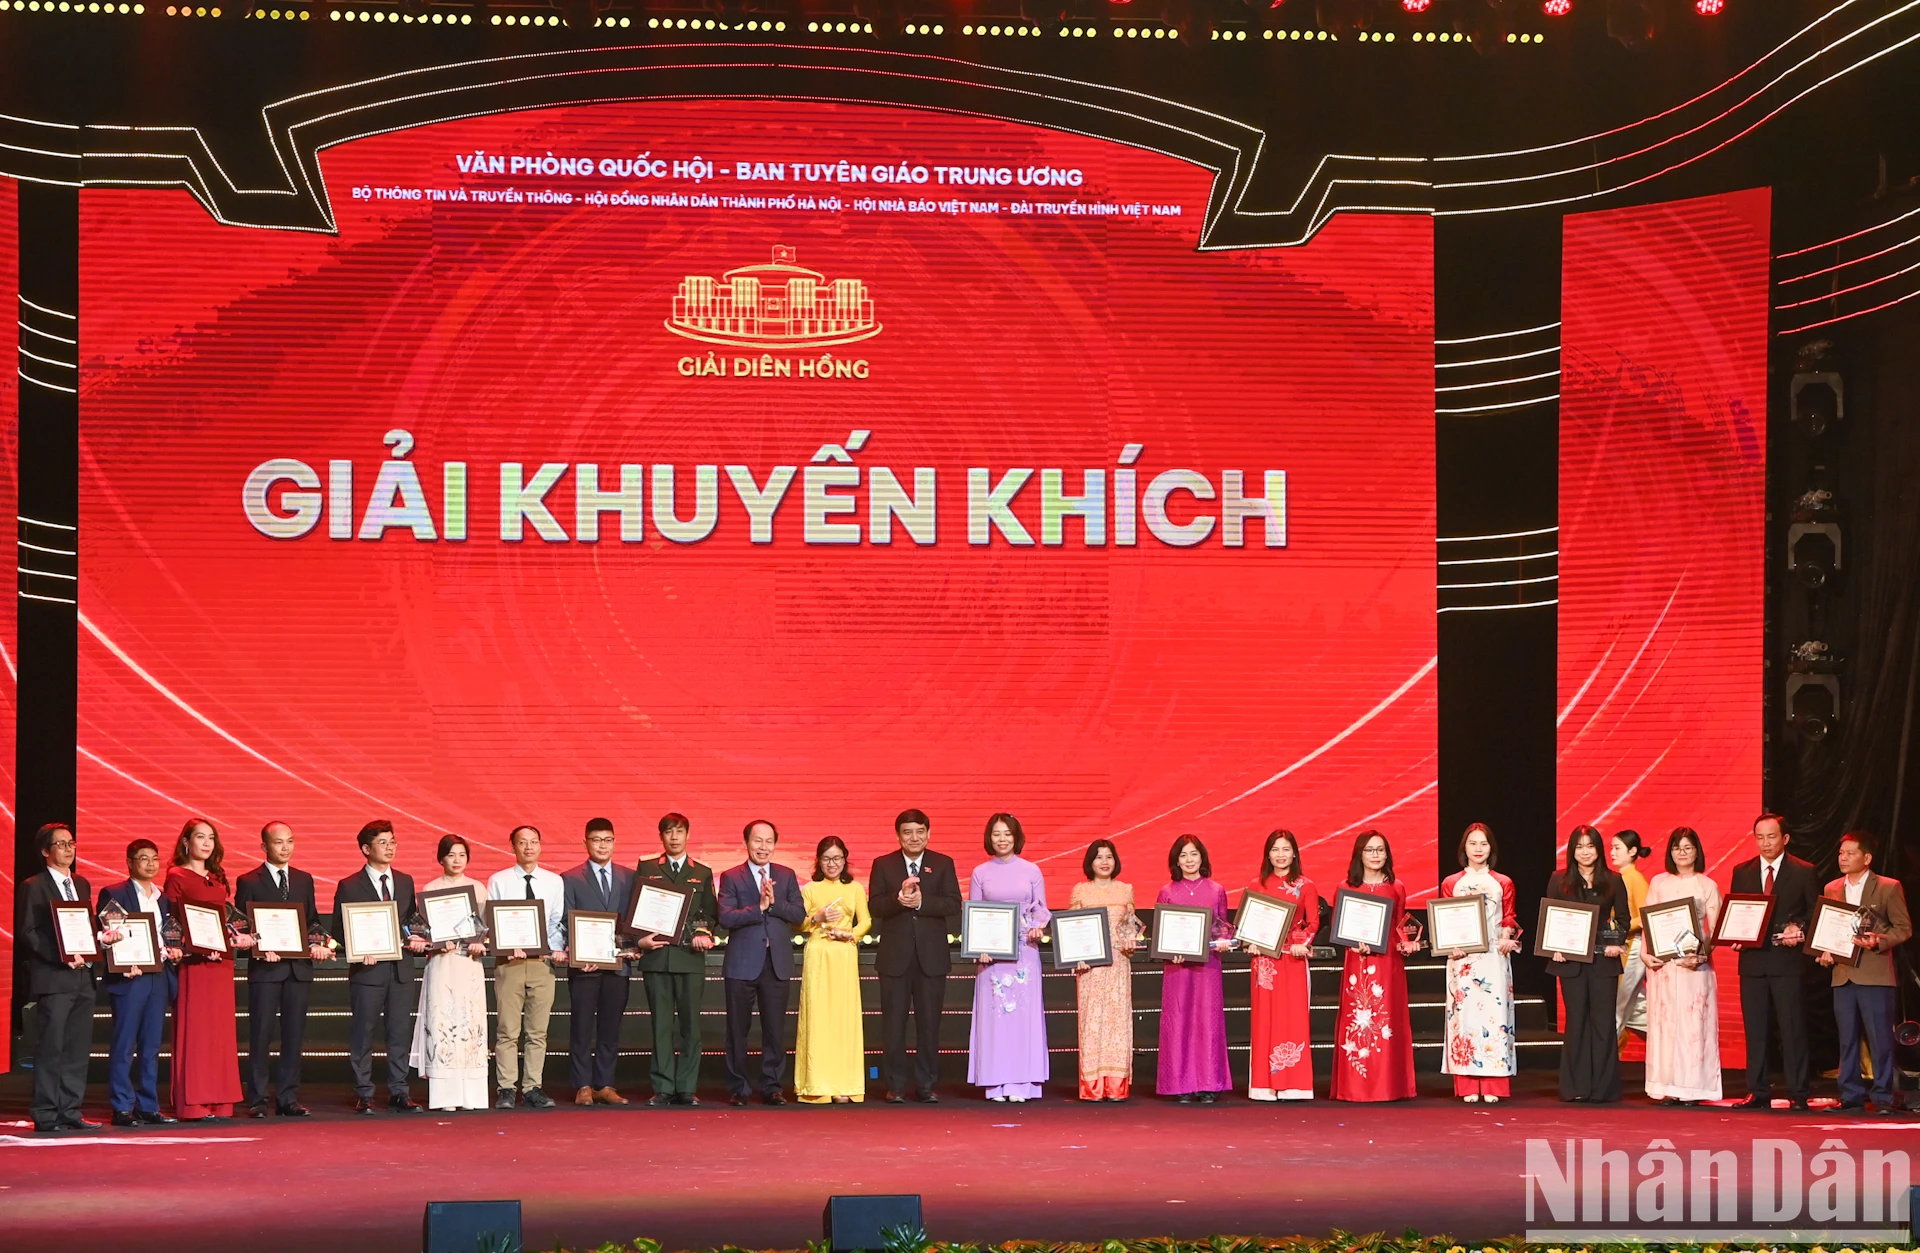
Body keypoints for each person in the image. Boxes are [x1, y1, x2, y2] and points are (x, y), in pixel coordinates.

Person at [331, 819, 428, 1114]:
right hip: (368, 971)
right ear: (365, 848)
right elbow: (338, 930)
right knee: (364, 1033)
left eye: (393, 842)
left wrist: (418, 937)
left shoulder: (405, 880)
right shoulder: (349, 885)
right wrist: (359, 951)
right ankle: (364, 1092)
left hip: (401, 969)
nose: (390, 848)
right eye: (383, 842)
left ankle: (399, 1091)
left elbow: (412, 920)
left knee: (399, 1032)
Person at [233, 821, 328, 1118]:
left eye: (290, 841)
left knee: (293, 1035)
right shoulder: (249, 880)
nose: (285, 847)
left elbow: (311, 920)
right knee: (261, 1034)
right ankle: (258, 1098)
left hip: (298, 969)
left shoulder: (304, 879)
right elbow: (241, 926)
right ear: (264, 846)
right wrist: (258, 945)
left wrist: (319, 941)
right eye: (278, 842)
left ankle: (288, 1097)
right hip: (265, 969)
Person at [164, 816, 256, 1120]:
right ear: (186, 842)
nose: (206, 843)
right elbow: (172, 922)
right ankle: (194, 1103)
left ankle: (220, 1101)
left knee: (219, 1033)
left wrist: (233, 938)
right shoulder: (176, 876)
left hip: (221, 963)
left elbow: (221, 919)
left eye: (211, 838)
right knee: (196, 1030)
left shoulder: (217, 878)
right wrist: (197, 946)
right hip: (196, 962)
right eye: (200, 837)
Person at [869, 807, 963, 1103]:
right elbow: (875, 907)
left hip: (931, 958)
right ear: (898, 835)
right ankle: (895, 1085)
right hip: (894, 959)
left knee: (929, 1025)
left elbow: (953, 904)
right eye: (907, 832)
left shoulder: (943, 863)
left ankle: (926, 1085)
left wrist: (923, 902)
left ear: (928, 833)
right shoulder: (883, 865)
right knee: (893, 1025)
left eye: (920, 831)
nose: (914, 837)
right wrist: (898, 900)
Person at [1727, 813, 1818, 1111]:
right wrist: (1734, 937)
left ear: (1785, 838)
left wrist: (1799, 930)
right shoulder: (1742, 871)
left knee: (1792, 1028)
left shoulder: (1804, 871)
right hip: (1752, 963)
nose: (1765, 843)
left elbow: (1813, 913)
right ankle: (1758, 1090)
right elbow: (1738, 912)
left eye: (1772, 836)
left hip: (1787, 962)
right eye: (1760, 837)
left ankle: (1798, 1092)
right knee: (1755, 1030)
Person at [1818, 831, 1912, 1115]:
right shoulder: (1832, 887)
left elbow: (1904, 928)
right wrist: (1824, 950)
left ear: (1866, 858)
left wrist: (1878, 942)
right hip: (1843, 974)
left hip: (1875, 974)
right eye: (1840, 853)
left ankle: (1882, 1097)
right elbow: (1829, 928)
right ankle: (1851, 1096)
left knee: (1879, 1038)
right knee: (1847, 1039)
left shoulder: (1887, 887)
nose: (1842, 858)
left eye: (1849, 853)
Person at [717, 818, 807, 1105]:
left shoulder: (787, 875)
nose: (763, 847)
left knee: (774, 1030)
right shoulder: (732, 877)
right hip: (742, 963)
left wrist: (775, 904)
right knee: (737, 1030)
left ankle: (771, 1087)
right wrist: (759, 908)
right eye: (758, 840)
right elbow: (726, 918)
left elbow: (798, 915)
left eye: (769, 841)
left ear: (775, 845)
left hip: (776, 962)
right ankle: (739, 1088)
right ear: (746, 843)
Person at [632, 812, 718, 1107]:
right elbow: (634, 911)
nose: (674, 837)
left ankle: (687, 1087)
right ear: (661, 836)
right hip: (656, 958)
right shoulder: (646, 867)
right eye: (668, 832)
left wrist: (705, 932)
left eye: (679, 831)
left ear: (687, 835)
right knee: (661, 1027)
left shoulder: (702, 872)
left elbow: (712, 914)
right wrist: (638, 941)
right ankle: (663, 1087)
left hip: (689, 959)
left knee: (691, 1027)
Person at [21, 823, 102, 1132]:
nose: (69, 849)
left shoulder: (81, 884)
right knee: (51, 1047)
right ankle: (45, 1112)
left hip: (83, 977)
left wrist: (101, 942)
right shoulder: (34, 885)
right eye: (61, 844)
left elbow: (85, 927)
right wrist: (61, 957)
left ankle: (70, 1109)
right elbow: (29, 932)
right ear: (45, 851)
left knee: (77, 1048)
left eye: (72, 844)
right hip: (54, 977)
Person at [1330, 830, 1420, 1102]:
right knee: (1358, 1021)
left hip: (1388, 962)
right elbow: (1339, 926)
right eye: (1370, 850)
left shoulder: (1397, 886)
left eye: (1380, 850)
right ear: (1359, 854)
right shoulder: (1346, 886)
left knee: (1386, 1021)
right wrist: (1352, 943)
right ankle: (1355, 1088)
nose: (1375, 855)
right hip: (1357, 961)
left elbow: (1402, 926)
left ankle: (1389, 1086)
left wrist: (1408, 942)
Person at [967, 814, 1052, 1102]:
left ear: (1016, 837)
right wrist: (980, 946)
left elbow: (1041, 909)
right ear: (988, 838)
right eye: (996, 834)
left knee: (1022, 1019)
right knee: (996, 1020)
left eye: (1007, 834)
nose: (1002, 839)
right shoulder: (980, 872)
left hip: (1024, 953)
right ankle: (995, 1083)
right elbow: (975, 914)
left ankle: (1021, 1084)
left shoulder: (1031, 870)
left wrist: (1038, 928)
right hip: (992, 956)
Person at [97, 839, 181, 1126]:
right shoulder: (114, 893)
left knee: (152, 1045)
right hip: (130, 977)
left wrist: (174, 950)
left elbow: (168, 935)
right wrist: (121, 962)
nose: (150, 864)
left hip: (158, 975)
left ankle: (148, 1105)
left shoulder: (163, 899)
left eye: (155, 858)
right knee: (124, 1043)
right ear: (130, 862)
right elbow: (107, 934)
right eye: (143, 858)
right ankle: (121, 1106)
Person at [487, 824, 568, 1110]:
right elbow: (494, 921)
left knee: (537, 1031)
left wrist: (555, 949)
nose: (529, 847)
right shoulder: (498, 880)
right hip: (509, 963)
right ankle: (506, 1088)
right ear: (513, 846)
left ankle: (533, 1086)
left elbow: (556, 921)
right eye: (523, 842)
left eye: (534, 842)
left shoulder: (554, 881)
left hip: (541, 963)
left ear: (540, 845)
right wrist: (506, 945)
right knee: (507, 1029)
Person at [410, 834, 492, 1111]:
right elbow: (421, 933)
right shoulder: (430, 889)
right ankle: (445, 1097)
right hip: (442, 964)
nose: (456, 861)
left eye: (462, 855)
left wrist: (481, 944)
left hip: (468, 963)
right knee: (443, 1024)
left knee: (470, 1024)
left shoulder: (478, 889)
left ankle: (471, 1096)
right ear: (441, 858)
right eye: (451, 855)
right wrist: (434, 942)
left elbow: (486, 930)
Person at [1641, 826, 1722, 1105]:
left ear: (1697, 851)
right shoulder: (1658, 882)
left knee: (1693, 1025)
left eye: (1688, 847)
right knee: (1666, 1024)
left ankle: (1694, 1089)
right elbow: (1647, 923)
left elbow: (1716, 929)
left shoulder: (1706, 885)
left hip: (1694, 967)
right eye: (1677, 848)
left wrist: (1701, 955)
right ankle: (1667, 1086)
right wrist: (1643, 953)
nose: (1682, 853)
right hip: (1664, 967)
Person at [1440, 823, 1520, 1103]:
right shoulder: (1452, 882)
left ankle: (1493, 1085)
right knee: (1465, 1018)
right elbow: (1447, 918)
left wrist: (1508, 935)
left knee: (1494, 1018)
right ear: (1464, 848)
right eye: (1472, 843)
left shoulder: (1503, 882)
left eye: (1483, 844)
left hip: (1493, 957)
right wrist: (1451, 944)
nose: (1477, 849)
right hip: (1462, 958)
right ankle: (1467, 1084)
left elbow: (1509, 916)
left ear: (1491, 849)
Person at [1549, 824, 1628, 1103]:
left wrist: (1615, 943)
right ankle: (1576, 1087)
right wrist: (1554, 947)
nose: (1585, 852)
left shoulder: (1614, 879)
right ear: (1572, 850)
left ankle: (1603, 1089)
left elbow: (1624, 919)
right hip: (1570, 962)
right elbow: (1551, 917)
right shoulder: (1559, 879)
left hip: (1603, 962)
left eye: (1590, 846)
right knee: (1576, 1022)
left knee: (1603, 1023)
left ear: (1599, 850)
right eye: (1579, 846)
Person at [562, 817, 636, 1106]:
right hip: (585, 967)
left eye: (607, 840)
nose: (602, 845)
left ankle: (605, 1084)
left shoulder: (629, 877)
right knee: (581, 1026)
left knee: (610, 1026)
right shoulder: (570, 878)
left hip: (618, 966)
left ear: (614, 842)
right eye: (596, 839)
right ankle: (582, 1085)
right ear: (585, 843)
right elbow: (566, 920)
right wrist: (579, 952)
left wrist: (631, 947)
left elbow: (631, 921)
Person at [1157, 834, 1234, 1103]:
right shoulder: (1167, 891)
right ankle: (1180, 1084)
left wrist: (1224, 941)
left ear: (1202, 857)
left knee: (1207, 1021)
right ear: (1175, 860)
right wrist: (1170, 952)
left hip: (1208, 965)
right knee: (1179, 1020)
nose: (1189, 860)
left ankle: (1209, 1084)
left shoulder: (1216, 889)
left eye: (1194, 854)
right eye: (1183, 855)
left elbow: (1223, 925)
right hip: (1178, 967)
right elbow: (1162, 932)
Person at [795, 836, 872, 1103]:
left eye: (837, 858)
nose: (832, 864)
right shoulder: (810, 889)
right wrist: (817, 918)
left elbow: (866, 921)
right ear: (818, 861)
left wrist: (849, 933)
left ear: (845, 860)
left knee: (843, 1019)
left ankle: (844, 1084)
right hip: (818, 954)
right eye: (827, 858)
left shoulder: (854, 889)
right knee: (818, 1018)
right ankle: (819, 1083)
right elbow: (799, 924)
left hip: (844, 955)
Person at [1246, 830, 1317, 1102]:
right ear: (1268, 854)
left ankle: (1294, 1085)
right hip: (1264, 963)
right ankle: (1264, 1085)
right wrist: (1249, 942)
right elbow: (1248, 925)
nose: (1280, 855)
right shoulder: (1256, 885)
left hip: (1293, 959)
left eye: (1286, 849)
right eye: (1275, 849)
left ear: (1295, 853)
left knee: (1293, 1018)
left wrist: (1302, 942)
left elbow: (1312, 923)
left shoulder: (1306, 886)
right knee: (1265, 1019)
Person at [1069, 838, 1139, 1102]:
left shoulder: (1125, 890)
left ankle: (1116, 1086)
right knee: (1092, 1023)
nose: (1104, 862)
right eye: (1099, 857)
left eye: (1109, 856)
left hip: (1119, 964)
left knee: (1117, 1023)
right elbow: (1073, 930)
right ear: (1090, 862)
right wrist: (1078, 957)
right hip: (1090, 969)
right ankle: (1093, 1087)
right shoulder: (1080, 891)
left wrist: (1131, 942)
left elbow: (1129, 927)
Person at [1609, 830, 1653, 1049]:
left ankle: (1605, 1063)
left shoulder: (1635, 879)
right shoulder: (1620, 878)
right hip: (1622, 945)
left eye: (1617, 848)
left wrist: (1617, 927)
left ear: (1632, 851)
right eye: (1611, 847)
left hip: (1632, 947)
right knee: (1634, 1008)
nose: (1612, 853)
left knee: (1617, 1006)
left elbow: (1645, 916)